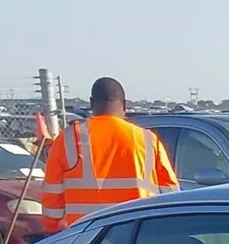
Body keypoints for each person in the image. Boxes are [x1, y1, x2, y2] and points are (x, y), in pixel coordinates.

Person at [39, 77, 178, 232]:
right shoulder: (147, 140)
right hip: (136, 234)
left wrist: (53, 229)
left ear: (91, 103)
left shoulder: (68, 138)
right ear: (124, 104)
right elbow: (170, 193)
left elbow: (52, 194)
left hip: (84, 236)